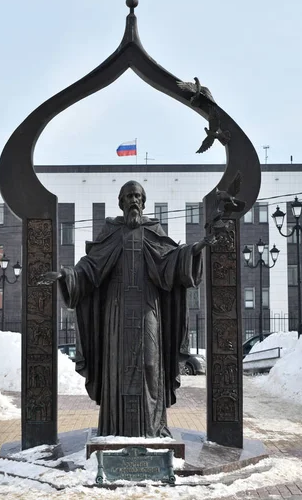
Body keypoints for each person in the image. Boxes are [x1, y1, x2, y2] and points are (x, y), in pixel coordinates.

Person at [40, 181, 217, 438]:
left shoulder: (153, 229)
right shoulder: (111, 231)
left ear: (143, 202)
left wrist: (197, 248)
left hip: (148, 308)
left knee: (149, 362)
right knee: (117, 365)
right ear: (121, 202)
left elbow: (172, 260)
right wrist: (65, 275)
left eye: (138, 196)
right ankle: (115, 427)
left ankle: (152, 426)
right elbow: (91, 268)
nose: (134, 200)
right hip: (116, 313)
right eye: (129, 196)